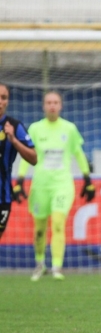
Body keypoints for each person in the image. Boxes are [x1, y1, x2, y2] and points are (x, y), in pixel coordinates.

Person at [13, 91, 95, 281]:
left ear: (61, 106)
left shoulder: (69, 129)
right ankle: (40, 264)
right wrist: (19, 180)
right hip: (40, 185)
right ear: (43, 106)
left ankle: (57, 267)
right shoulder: (35, 129)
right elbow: (28, 156)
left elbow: (79, 153)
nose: (52, 105)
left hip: (62, 184)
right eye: (49, 102)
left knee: (58, 223)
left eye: (55, 102)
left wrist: (87, 179)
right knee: (40, 228)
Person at [0, 82, 38, 240]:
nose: (0, 101)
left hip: (2, 197)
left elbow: (34, 158)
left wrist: (14, 140)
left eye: (3, 97)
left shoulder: (14, 126)